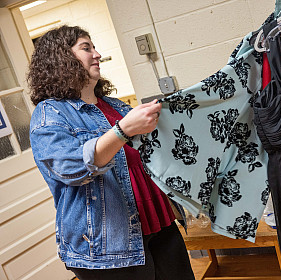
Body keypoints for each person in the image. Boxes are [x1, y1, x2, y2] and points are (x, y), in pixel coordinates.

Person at [28, 25, 195, 280]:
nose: (97, 54)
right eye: (86, 48)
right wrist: (123, 130)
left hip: (159, 222)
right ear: (61, 58)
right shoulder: (50, 112)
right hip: (108, 245)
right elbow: (70, 169)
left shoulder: (115, 106)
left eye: (94, 47)